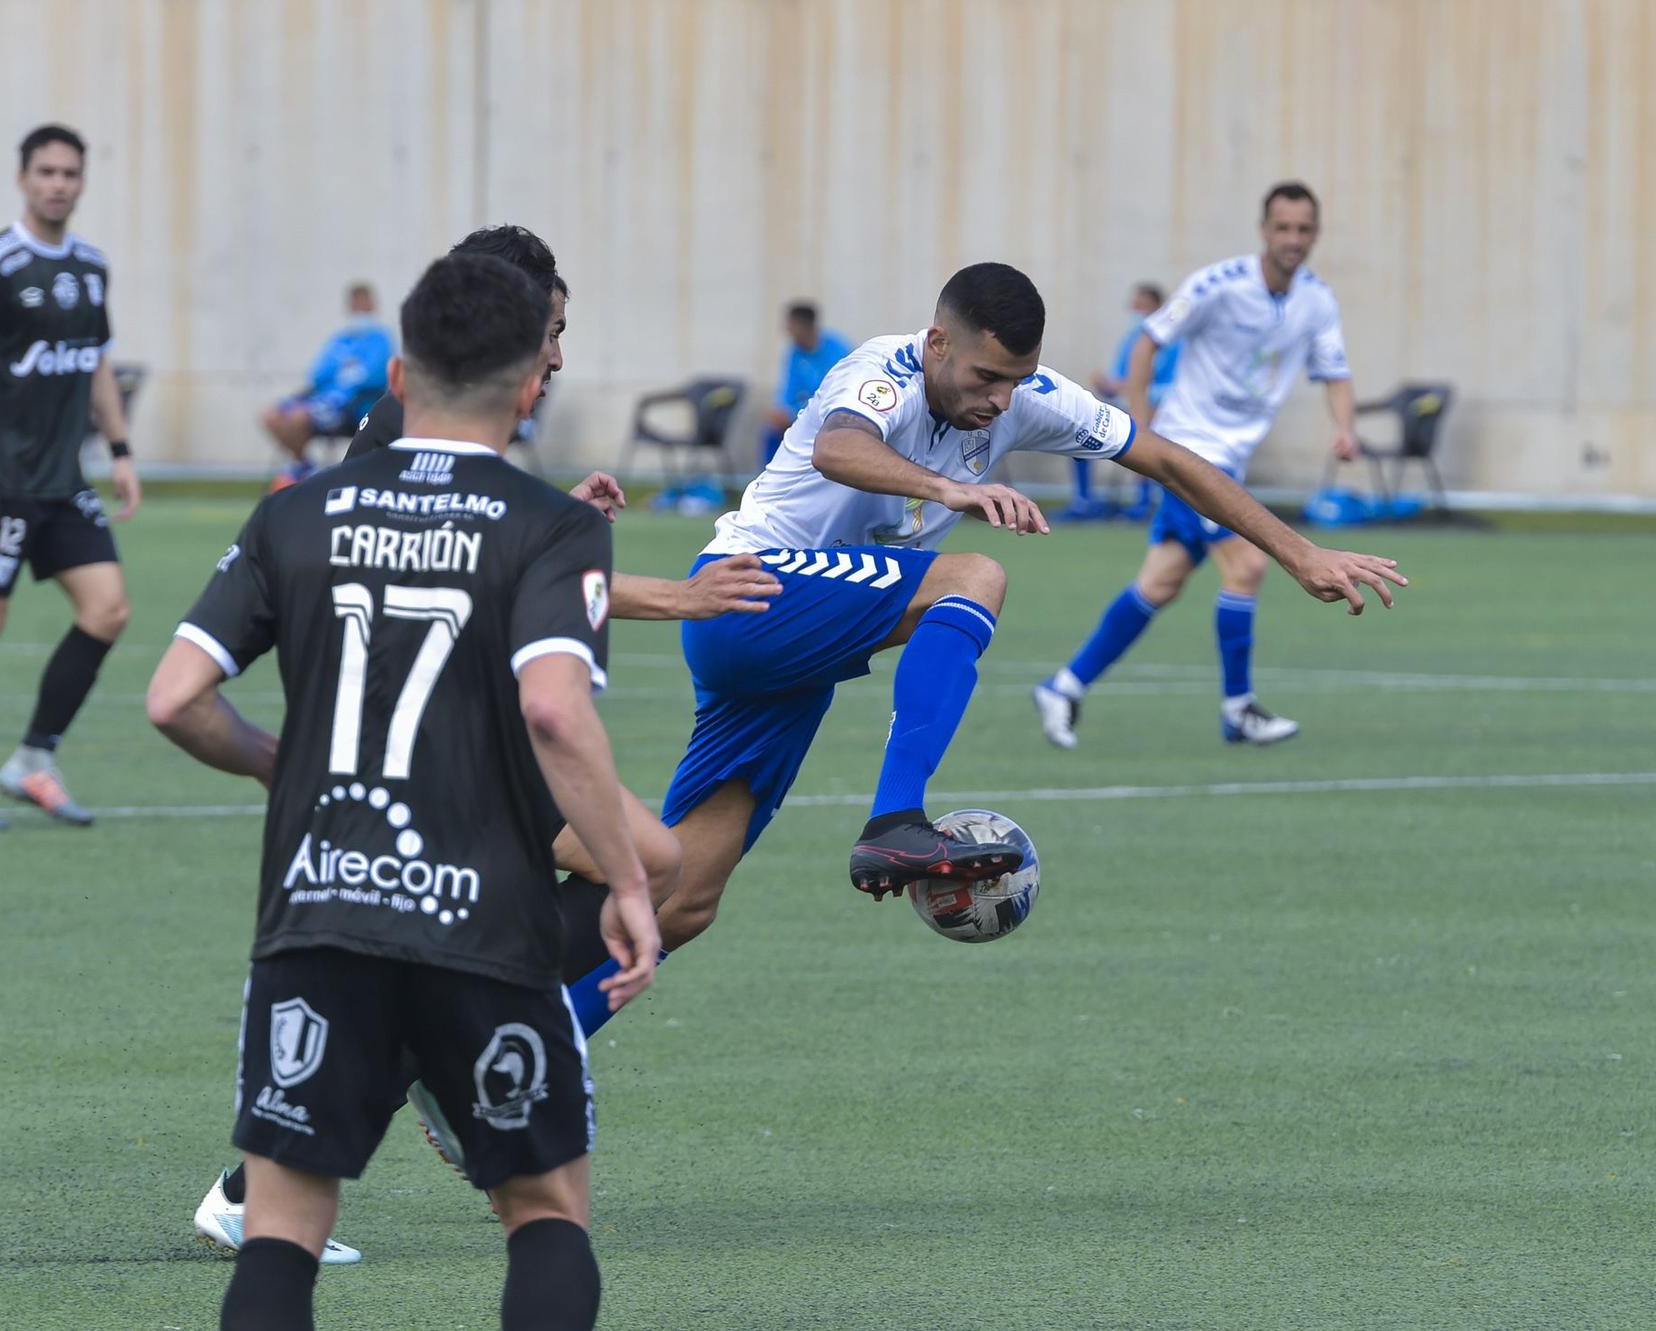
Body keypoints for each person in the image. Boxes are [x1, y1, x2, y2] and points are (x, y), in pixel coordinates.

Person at [555, 260, 1405, 1031]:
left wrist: (1299, 553)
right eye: (987, 375)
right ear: (936, 344)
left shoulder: (1027, 396)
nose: (1002, 400)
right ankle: (896, 817)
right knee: (972, 577)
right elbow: (839, 447)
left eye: (1018, 380)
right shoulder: (880, 372)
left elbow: (1172, 463)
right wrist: (951, 487)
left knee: (686, 894)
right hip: (747, 591)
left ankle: (528, 1050)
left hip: (790, 650)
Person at [192, 221, 776, 1259]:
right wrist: (676, 595)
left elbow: (488, 548)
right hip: (446, 757)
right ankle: (433, 1087)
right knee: (657, 872)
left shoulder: (451, 420)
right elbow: (463, 567)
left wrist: (562, 514)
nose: (556, 356)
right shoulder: (401, 423)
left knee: (665, 878)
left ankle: (282, 1167)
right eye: (548, 332)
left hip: (457, 744)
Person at [147, 251, 663, 1331]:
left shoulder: (295, 513)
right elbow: (557, 713)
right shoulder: (557, 524)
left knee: (281, 1227)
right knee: (543, 1211)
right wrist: (623, 875)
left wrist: (273, 760)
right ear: (531, 383)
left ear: (395, 368)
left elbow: (177, 697)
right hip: (484, 918)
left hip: (319, 912)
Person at [1034, 183, 1363, 748]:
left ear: (1315, 234)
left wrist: (1345, 428)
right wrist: (1139, 434)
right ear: (1263, 230)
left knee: (1160, 583)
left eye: (1304, 229)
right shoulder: (1218, 285)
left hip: (1231, 456)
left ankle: (1064, 685)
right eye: (1282, 228)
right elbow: (1147, 342)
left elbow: (1335, 372)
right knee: (1249, 567)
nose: (1293, 239)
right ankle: (1238, 708)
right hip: (1192, 453)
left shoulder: (1317, 300)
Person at [0, 123, 141, 830]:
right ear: (23, 179)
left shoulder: (91, 267)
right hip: (1, 483)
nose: (58, 184)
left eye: (70, 173)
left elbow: (96, 360)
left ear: (82, 181)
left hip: (64, 482)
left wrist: (121, 448)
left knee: (108, 610)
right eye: (46, 171)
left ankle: (33, 760)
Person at [1064, 282, 1179, 520]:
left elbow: (1173, 387)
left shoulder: (1174, 343)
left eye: (1143, 307)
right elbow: (1118, 383)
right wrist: (1107, 386)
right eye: (1134, 306)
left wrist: (1132, 389)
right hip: (1127, 409)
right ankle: (1084, 501)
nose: (1137, 313)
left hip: (1160, 411)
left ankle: (1144, 502)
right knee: (1081, 427)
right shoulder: (1131, 340)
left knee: (1145, 428)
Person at [261, 282, 392, 487]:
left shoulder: (380, 340)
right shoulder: (339, 340)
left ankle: (306, 473)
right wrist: (349, 369)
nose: (360, 311)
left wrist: (345, 372)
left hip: (354, 408)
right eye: (356, 306)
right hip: (322, 401)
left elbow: (374, 377)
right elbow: (319, 375)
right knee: (271, 415)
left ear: (372, 306)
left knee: (297, 419)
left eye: (364, 306)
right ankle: (304, 466)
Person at [759, 301, 852, 466]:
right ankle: (769, 480)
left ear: (804, 325)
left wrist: (796, 412)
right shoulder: (795, 352)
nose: (786, 330)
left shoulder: (837, 349)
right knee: (771, 431)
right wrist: (783, 411)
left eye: (790, 325)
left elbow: (838, 390)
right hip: (802, 413)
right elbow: (788, 390)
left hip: (831, 412)